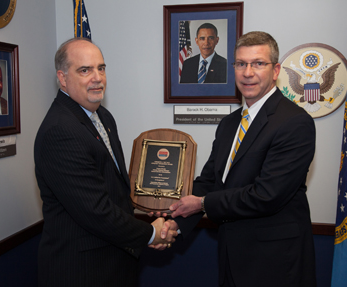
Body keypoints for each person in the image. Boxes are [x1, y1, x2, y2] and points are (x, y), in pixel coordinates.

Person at [163, 31, 317, 287]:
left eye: (258, 63)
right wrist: (173, 223)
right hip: (230, 255)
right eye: (241, 64)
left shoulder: (294, 122)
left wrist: (201, 203)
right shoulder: (229, 124)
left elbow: (266, 196)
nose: (248, 73)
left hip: (275, 263)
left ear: (276, 70)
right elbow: (210, 179)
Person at [34, 37, 176, 287]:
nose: (97, 77)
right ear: (63, 78)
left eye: (101, 68)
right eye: (85, 70)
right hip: (82, 272)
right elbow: (96, 212)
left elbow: (114, 186)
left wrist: (151, 200)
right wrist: (152, 233)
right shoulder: (61, 131)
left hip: (115, 262)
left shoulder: (102, 117)